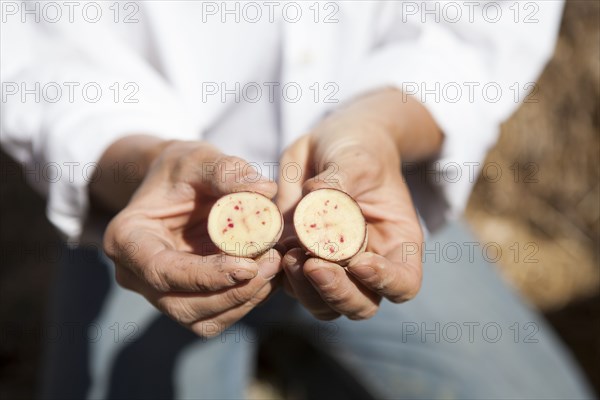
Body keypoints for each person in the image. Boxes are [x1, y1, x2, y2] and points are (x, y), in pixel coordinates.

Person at [1, 1, 593, 398]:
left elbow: (481, 29)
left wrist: (379, 130)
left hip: (376, 205)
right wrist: (146, 162)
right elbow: (33, 58)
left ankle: (300, 355)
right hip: (157, 220)